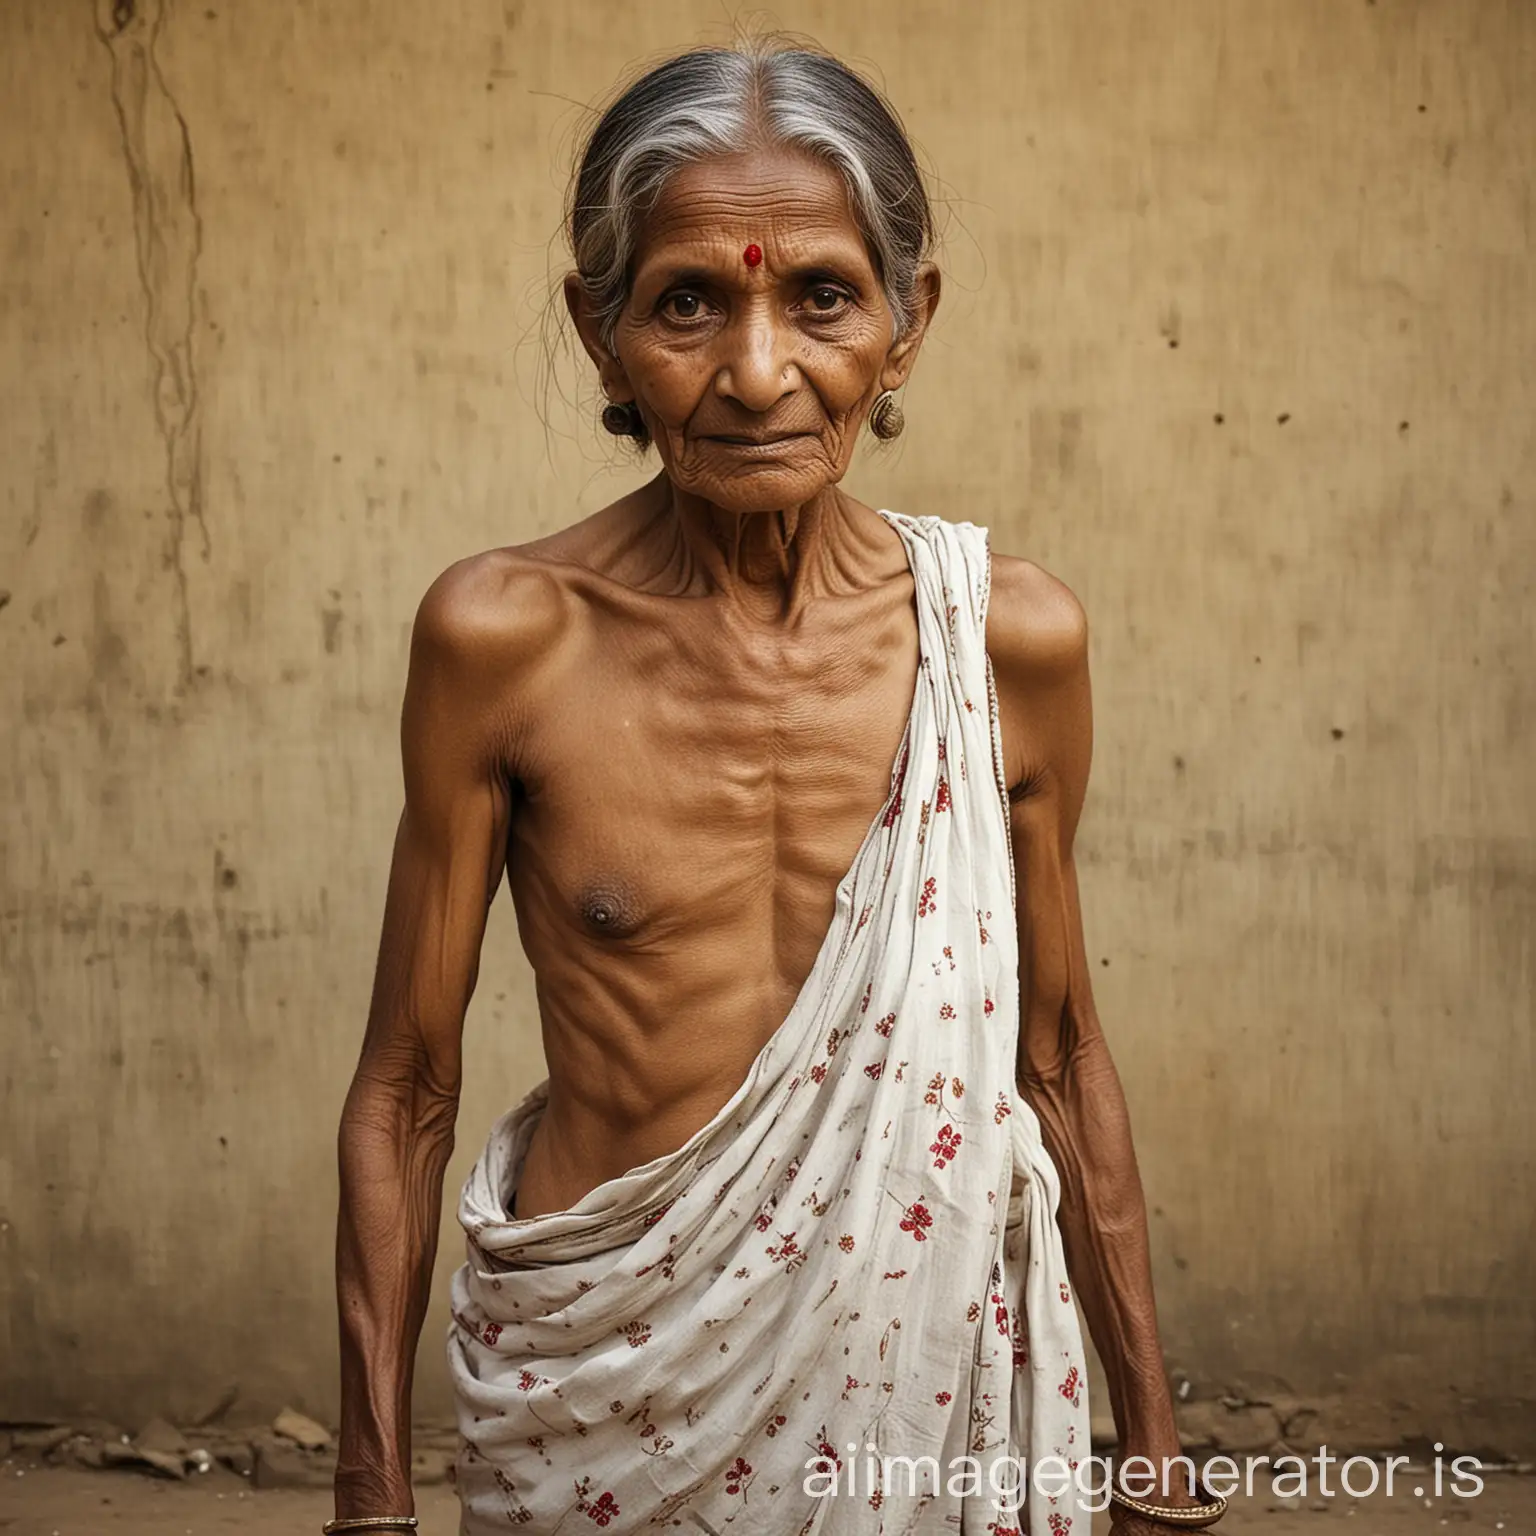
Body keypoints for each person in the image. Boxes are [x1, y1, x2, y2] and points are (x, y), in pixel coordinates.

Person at [332, 39, 1223, 1536]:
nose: (758, 373)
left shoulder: (1005, 640)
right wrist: (370, 1498)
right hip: (608, 1392)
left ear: (907, 318)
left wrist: (1155, 1462)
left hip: (924, 1412)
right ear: (601, 331)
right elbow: (407, 1088)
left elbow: (1060, 1058)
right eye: (689, 301)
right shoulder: (503, 640)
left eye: (820, 294)